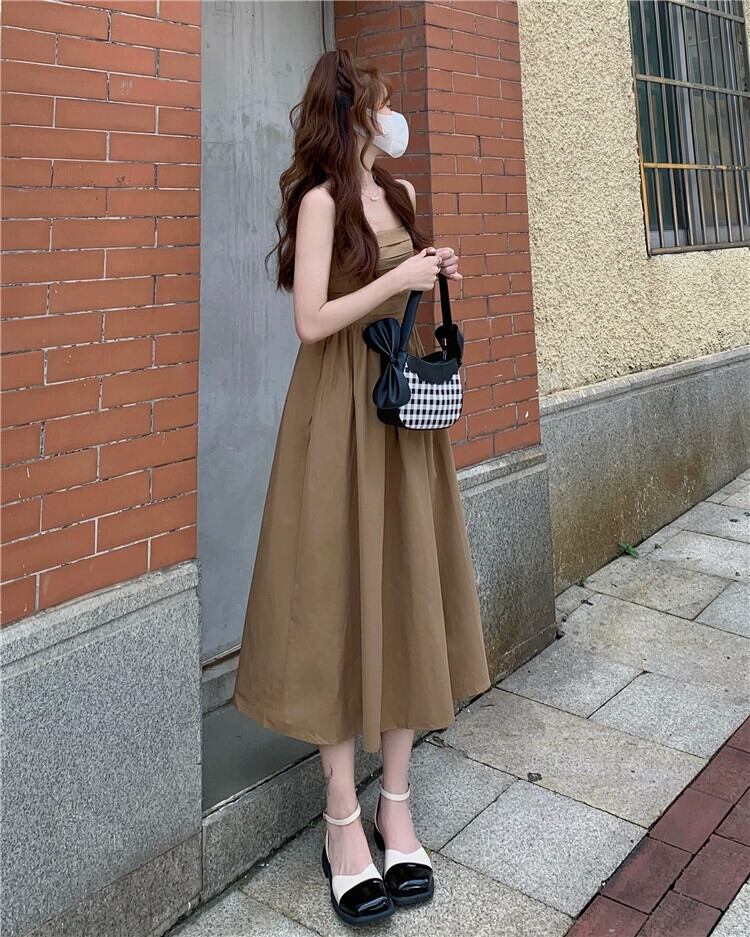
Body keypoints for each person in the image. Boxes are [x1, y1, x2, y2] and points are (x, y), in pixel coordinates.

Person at [231, 48, 491, 927]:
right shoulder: (319, 202)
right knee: (334, 598)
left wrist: (431, 273)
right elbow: (311, 320)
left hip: (399, 412)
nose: (392, 115)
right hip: (337, 414)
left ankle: (397, 804)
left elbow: (399, 295)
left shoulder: (401, 194)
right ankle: (342, 819)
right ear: (350, 115)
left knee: (406, 589)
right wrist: (394, 278)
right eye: (380, 103)